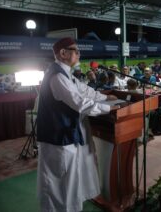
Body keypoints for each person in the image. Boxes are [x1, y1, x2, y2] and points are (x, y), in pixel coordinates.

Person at [36, 37, 118, 212]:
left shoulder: (65, 74)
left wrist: (106, 97)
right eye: (75, 50)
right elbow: (80, 102)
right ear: (63, 53)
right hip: (57, 139)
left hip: (65, 136)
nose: (79, 53)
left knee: (68, 183)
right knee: (60, 184)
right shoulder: (57, 76)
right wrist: (108, 109)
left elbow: (83, 90)